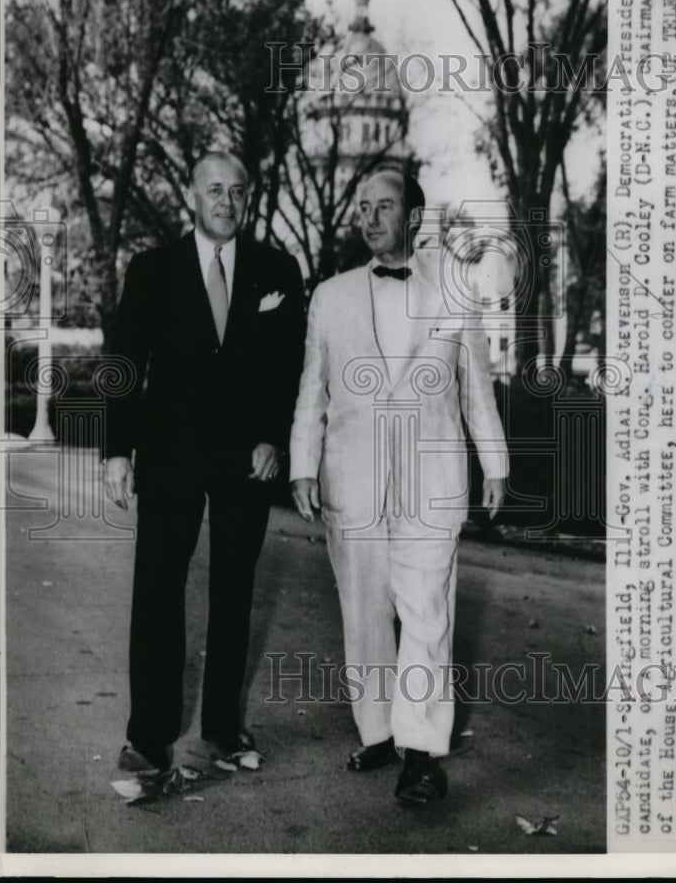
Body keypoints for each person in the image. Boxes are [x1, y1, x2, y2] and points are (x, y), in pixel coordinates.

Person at [289, 167, 508, 803]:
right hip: (351, 481)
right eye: (362, 207)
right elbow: (314, 387)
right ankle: (378, 729)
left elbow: (476, 387)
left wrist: (494, 462)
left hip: (431, 478)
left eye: (383, 206)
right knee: (363, 613)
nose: (370, 217)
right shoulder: (330, 296)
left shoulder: (453, 290)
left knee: (427, 614)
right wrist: (303, 463)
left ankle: (420, 752)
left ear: (413, 218)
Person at [102, 151, 305, 773]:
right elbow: (124, 365)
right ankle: (149, 736)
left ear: (249, 197)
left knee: (235, 590)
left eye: (237, 191)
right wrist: (116, 450)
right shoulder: (153, 269)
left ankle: (222, 728)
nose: (226, 202)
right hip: (169, 454)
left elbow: (290, 366)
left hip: (248, 458)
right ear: (193, 195)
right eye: (214, 190)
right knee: (158, 589)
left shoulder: (277, 270)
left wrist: (276, 437)